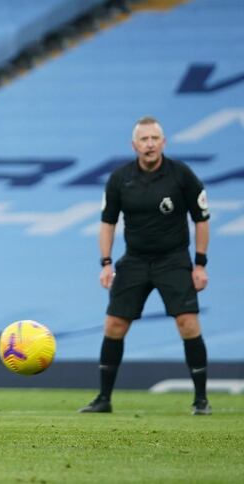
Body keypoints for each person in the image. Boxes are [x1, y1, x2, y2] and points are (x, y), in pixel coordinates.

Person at [79, 116, 211, 416]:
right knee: (114, 325)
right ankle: (103, 398)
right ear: (134, 145)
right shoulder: (120, 178)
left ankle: (201, 400)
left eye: (154, 139)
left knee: (188, 324)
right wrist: (106, 262)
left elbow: (202, 219)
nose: (149, 144)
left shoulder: (181, 175)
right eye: (144, 139)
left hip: (174, 259)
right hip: (135, 260)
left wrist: (200, 264)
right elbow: (108, 222)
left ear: (164, 142)